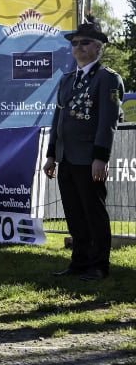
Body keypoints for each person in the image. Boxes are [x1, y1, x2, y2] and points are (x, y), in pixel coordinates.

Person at [43, 20, 124, 281]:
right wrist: (51, 155)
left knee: (93, 214)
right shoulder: (67, 81)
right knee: (74, 215)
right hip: (67, 158)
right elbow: (59, 120)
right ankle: (78, 263)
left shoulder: (107, 79)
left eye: (84, 42)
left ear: (98, 47)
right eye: (74, 43)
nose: (78, 47)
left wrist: (100, 157)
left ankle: (98, 265)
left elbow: (107, 121)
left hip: (89, 159)